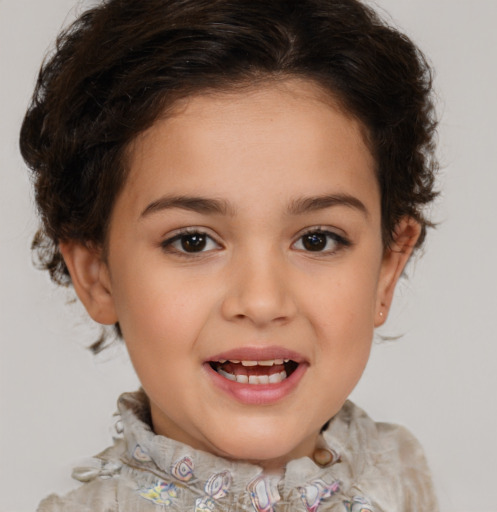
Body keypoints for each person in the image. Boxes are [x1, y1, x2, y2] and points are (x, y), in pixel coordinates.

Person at [19, 0, 439, 510]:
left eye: (317, 239)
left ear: (386, 270)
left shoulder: (399, 475)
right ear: (97, 275)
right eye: (193, 241)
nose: (261, 302)